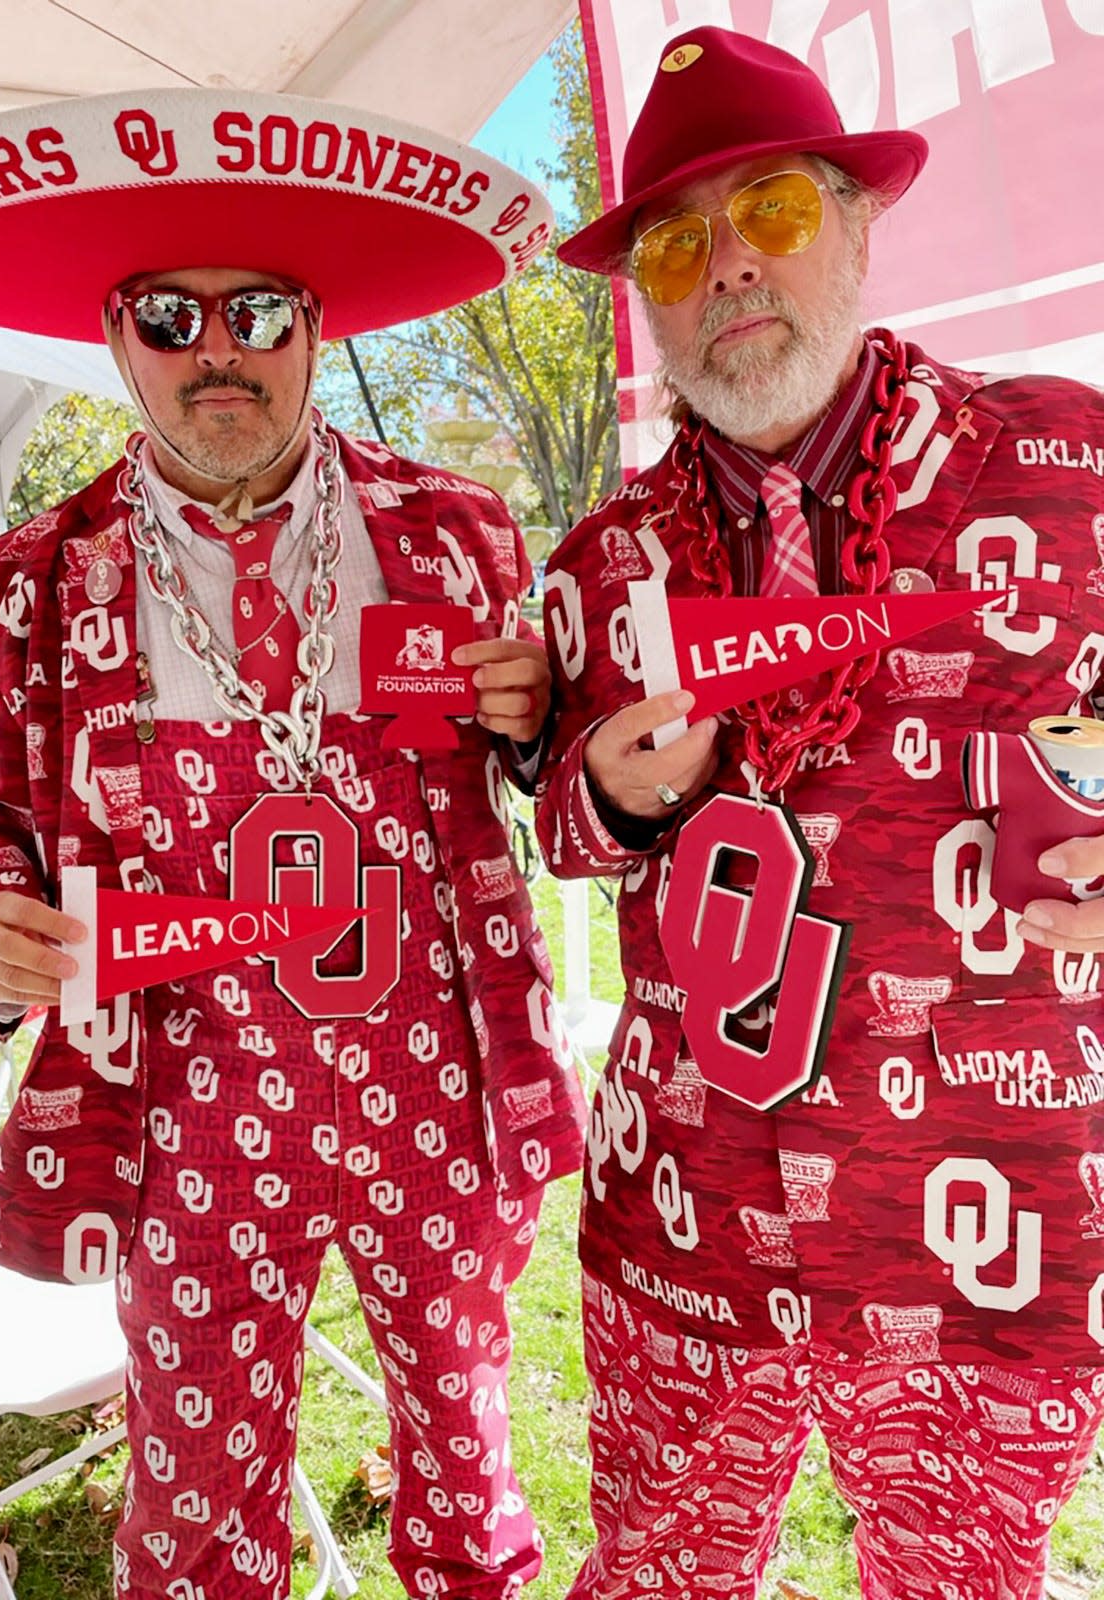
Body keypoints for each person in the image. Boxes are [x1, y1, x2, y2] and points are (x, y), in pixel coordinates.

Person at [0, 88, 585, 1600]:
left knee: (471, 1492)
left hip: (439, 1087)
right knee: (197, 1529)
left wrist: (535, 717)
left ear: (315, 327)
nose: (218, 347)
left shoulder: (456, 529)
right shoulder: (37, 574)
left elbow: (561, 768)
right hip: (190, 1111)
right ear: (114, 337)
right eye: (171, 315)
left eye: (259, 310)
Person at [538, 26, 1104, 1600]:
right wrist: (609, 796)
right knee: (659, 1570)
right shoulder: (601, 558)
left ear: (859, 222)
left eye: (773, 213)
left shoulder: (1065, 466)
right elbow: (563, 844)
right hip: (686, 1209)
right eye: (673, 240)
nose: (727, 267)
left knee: (960, 1583)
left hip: (980, 1203)